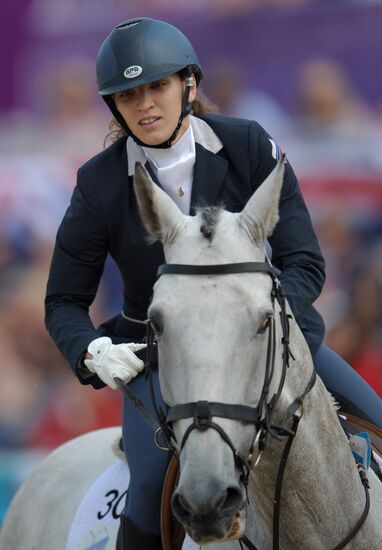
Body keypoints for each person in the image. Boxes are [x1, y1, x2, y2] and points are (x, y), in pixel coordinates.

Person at [44, 17, 382, 549]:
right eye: (128, 95)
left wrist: (259, 320)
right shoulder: (98, 183)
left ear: (189, 86)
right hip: (159, 358)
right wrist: (92, 351)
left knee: (380, 421)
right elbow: (64, 300)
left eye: (158, 86)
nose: (146, 104)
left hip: (271, 340)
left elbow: (304, 263)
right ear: (114, 106)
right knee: (149, 490)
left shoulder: (248, 144)